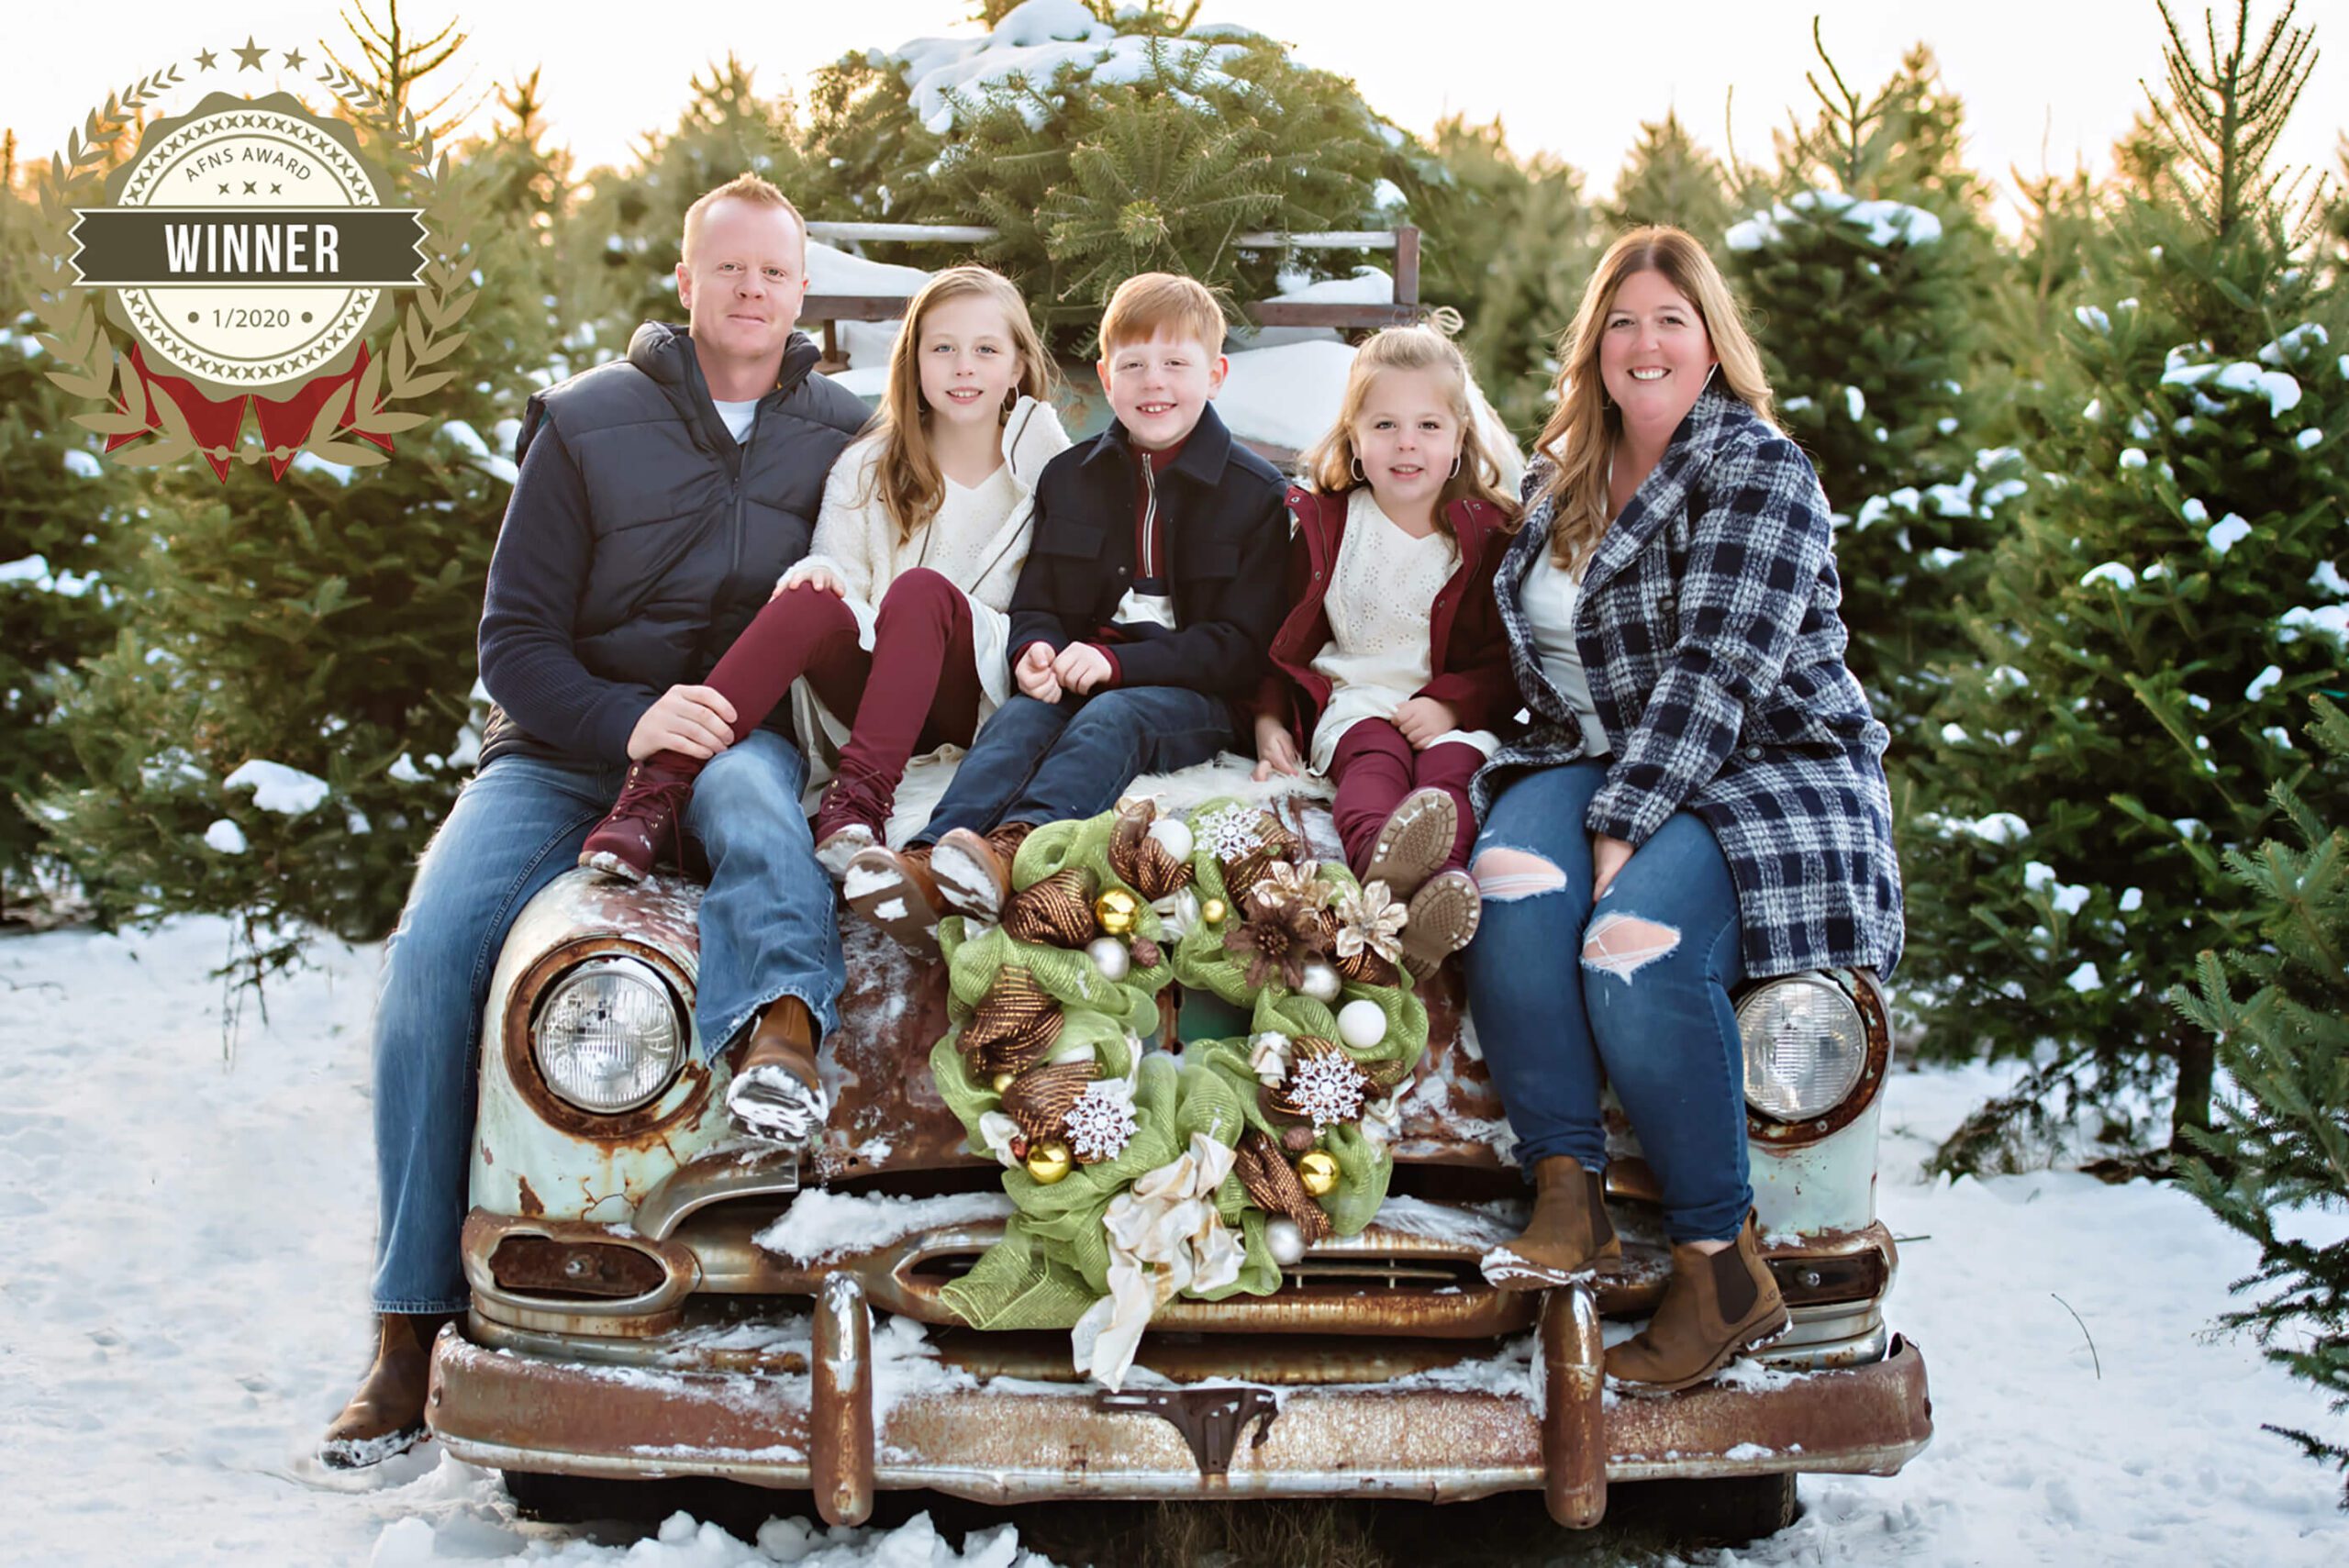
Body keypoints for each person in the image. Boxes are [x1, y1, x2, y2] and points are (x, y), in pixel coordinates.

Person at [320, 173, 868, 1468]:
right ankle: (409, 1328)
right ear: (685, 283)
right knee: (436, 957)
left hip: (748, 755)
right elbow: (511, 642)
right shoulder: (585, 423)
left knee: (808, 889)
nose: (752, 293)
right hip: (570, 752)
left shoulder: (847, 433)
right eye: (728, 269)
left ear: (804, 293)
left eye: (776, 274)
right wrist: (628, 722)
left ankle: (790, 1255)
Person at [1461, 228, 1904, 1394]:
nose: (1643, 343)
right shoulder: (1560, 476)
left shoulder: (1758, 472)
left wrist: (1623, 825)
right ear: (1593, 346)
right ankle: (1569, 1195)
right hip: (1598, 753)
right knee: (1507, 887)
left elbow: (1715, 670)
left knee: (1629, 945)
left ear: (1712, 340)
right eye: (1621, 322)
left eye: (1669, 321)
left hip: (1765, 768)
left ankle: (1719, 1260)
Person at [577, 264, 1070, 905]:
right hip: (874, 692)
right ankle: (656, 792)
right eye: (942, 348)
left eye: (985, 350)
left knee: (920, 590)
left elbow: (1071, 593)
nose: (963, 367)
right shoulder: (869, 463)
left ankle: (857, 802)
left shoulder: (1052, 471)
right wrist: (823, 579)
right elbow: (837, 568)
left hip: (978, 694)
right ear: (914, 360)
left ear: (1017, 367)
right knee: (810, 592)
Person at [844, 272, 1287, 947]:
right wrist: (1036, 650)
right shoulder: (1072, 477)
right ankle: (934, 858)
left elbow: (1238, 645)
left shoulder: (1254, 494)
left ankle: (1014, 848)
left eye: (1175, 364)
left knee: (1117, 713)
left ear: (1216, 374)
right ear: (1107, 378)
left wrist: (1115, 662)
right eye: (1133, 365)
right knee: (1022, 717)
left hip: (1192, 699)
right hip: (1080, 673)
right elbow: (1040, 598)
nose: (1153, 383)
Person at [1251, 325, 1521, 979]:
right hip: (1359, 699)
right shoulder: (1330, 524)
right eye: (1385, 425)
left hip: (1451, 716)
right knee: (1372, 769)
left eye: (1429, 425)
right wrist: (1266, 721)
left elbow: (1508, 661)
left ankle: (1437, 900)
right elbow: (1282, 638)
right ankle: (1381, 863)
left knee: (1450, 778)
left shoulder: (1488, 534)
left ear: (1459, 437)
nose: (1407, 443)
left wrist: (1452, 706)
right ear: (1354, 438)